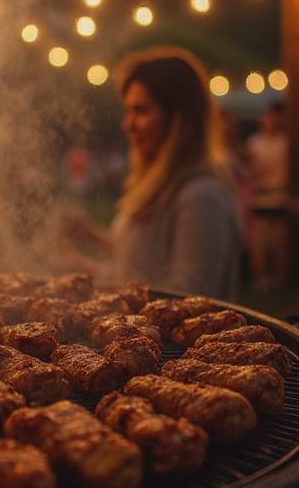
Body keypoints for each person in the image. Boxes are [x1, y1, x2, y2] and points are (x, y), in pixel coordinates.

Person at [61, 47, 240, 300]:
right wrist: (94, 238)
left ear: (179, 119)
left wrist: (80, 268)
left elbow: (189, 295)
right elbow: (141, 260)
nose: (128, 124)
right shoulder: (159, 183)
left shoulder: (201, 197)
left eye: (141, 111)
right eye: (128, 111)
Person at [245, 102, 289, 291]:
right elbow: (252, 169)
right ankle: (262, 277)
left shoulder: (285, 142)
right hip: (260, 195)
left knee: (279, 239)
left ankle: (279, 276)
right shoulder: (254, 142)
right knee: (260, 240)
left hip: (279, 193)